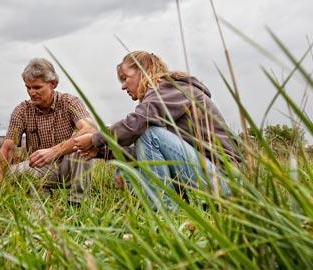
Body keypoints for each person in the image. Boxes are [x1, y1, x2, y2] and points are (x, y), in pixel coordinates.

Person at [73, 51, 240, 210]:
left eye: (125, 78)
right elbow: (146, 155)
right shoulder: (161, 98)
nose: (123, 86)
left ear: (143, 71)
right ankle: (179, 206)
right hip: (202, 172)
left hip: (226, 180)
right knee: (124, 169)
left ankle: (165, 211)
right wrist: (102, 152)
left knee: (147, 133)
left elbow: (136, 123)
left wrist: (95, 139)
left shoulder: (172, 89)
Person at [0, 58, 96, 205]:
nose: (31, 93)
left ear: (53, 84)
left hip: (68, 165)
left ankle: (77, 203)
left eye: (37, 87)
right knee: (9, 174)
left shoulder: (69, 102)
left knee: (85, 143)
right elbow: (7, 148)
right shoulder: (21, 110)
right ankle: (41, 196)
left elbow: (90, 129)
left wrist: (54, 151)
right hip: (40, 167)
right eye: (28, 87)